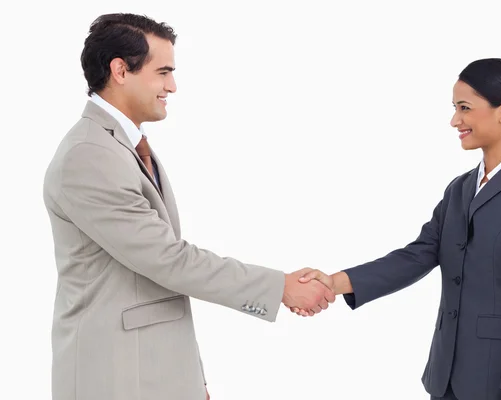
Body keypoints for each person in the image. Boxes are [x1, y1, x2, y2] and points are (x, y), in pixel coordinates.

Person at [43, 13, 333, 400]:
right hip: (116, 377)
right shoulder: (89, 155)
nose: (173, 86)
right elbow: (168, 260)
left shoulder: (119, 146)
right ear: (120, 70)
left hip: (152, 371)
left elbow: (153, 285)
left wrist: (191, 381)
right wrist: (278, 287)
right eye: (163, 72)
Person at [294, 58, 501, 400]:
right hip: (448, 380)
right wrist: (334, 282)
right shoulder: (459, 189)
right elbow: (416, 256)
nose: (455, 120)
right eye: (455, 108)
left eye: (465, 108)